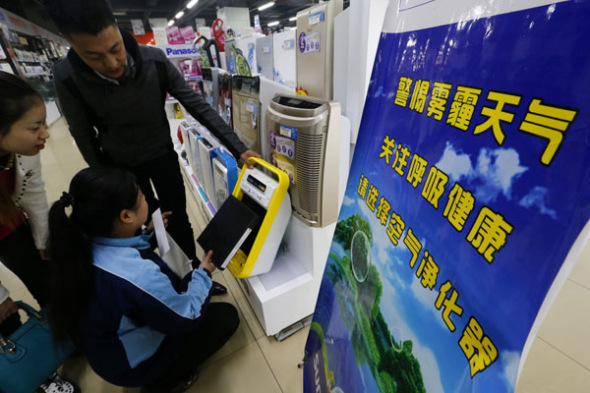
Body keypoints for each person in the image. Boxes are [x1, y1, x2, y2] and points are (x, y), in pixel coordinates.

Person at [44, 0, 261, 284]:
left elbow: (199, 106)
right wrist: (108, 184)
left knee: (178, 218)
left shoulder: (155, 61)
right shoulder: (67, 78)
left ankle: (193, 276)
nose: (111, 64)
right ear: (71, 45)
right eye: (94, 57)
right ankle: (163, 283)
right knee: (145, 228)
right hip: (121, 167)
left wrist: (239, 148)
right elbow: (83, 134)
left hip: (162, 156)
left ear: (118, 31)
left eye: (115, 49)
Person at [47, 166, 239, 392]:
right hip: (132, 366)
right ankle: (161, 381)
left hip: (108, 354)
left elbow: (120, 259)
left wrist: (143, 235)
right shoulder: (136, 276)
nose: (146, 198)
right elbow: (184, 317)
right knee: (226, 317)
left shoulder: (81, 242)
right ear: (126, 216)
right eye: (141, 196)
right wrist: (204, 273)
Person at [0, 71, 77, 393]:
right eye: (35, 127)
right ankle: (24, 376)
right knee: (5, 316)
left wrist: (44, 240)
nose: (46, 134)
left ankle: (63, 339)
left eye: (44, 122)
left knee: (46, 277)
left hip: (10, 223)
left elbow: (33, 193)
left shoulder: (20, 154)